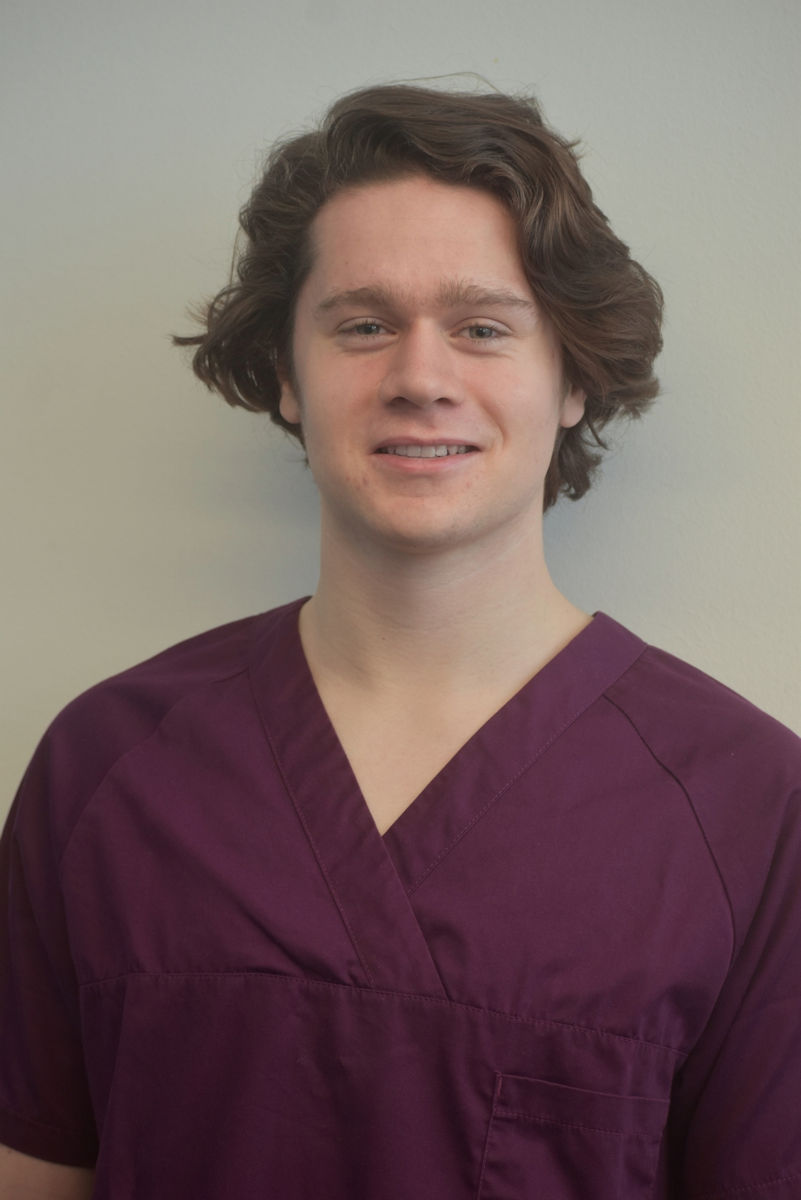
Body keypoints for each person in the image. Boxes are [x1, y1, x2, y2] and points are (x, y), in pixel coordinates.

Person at [1, 83, 799, 1200]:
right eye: (364, 325)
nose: (421, 379)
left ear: (573, 378)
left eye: (483, 328)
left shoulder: (748, 804)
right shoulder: (106, 767)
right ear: (287, 376)